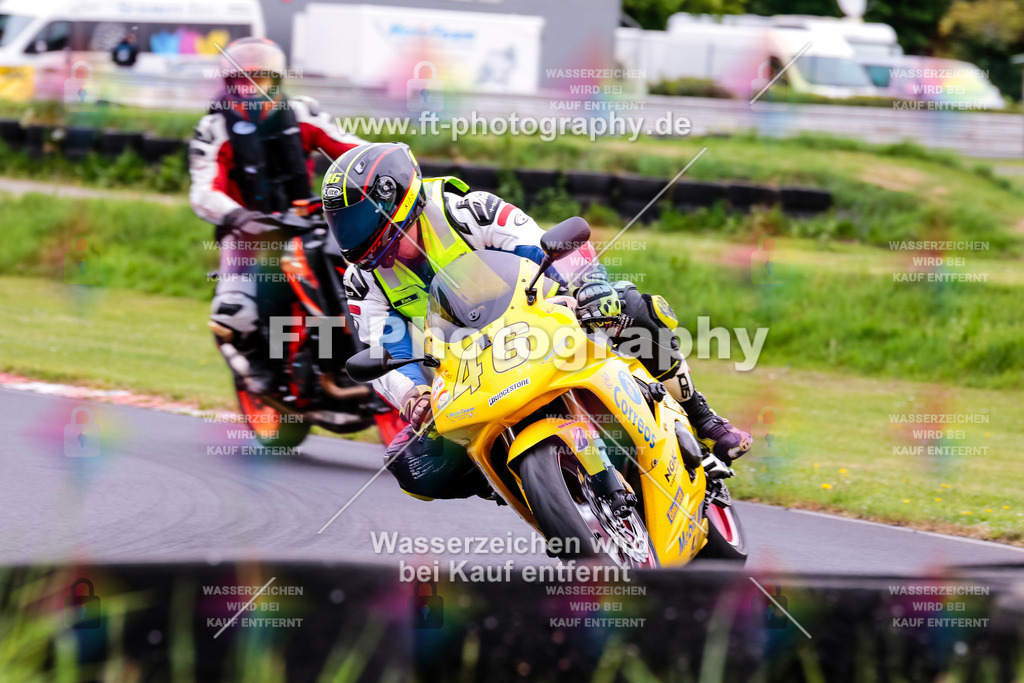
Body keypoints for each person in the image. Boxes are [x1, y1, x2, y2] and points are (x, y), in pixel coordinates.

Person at [323, 142, 752, 502]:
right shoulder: (363, 279)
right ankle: (519, 481)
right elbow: (384, 347)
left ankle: (703, 417)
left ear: (397, 197)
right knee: (410, 465)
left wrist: (589, 286)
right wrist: (413, 395)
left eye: (360, 218)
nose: (355, 235)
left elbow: (539, 242)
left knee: (630, 306)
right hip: (462, 370)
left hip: (538, 321)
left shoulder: (468, 211)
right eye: (343, 224)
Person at [189, 37, 364, 394]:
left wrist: (385, 168)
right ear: (229, 84)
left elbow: (352, 149)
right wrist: (238, 216)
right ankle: (262, 368)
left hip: (311, 221)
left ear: (277, 81)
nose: (253, 91)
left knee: (359, 273)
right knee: (236, 311)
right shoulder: (213, 129)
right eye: (243, 82)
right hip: (248, 233)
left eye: (262, 81)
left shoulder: (303, 113)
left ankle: (347, 354)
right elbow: (204, 190)